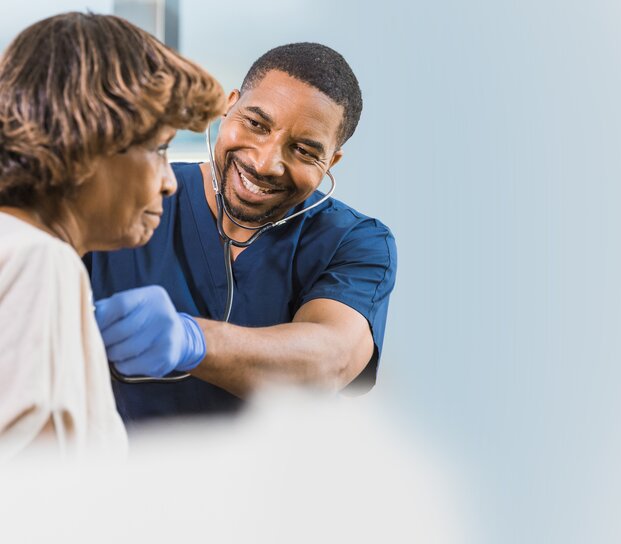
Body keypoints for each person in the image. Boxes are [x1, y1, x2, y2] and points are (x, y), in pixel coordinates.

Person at [88, 43, 397, 423]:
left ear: (331, 160)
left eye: (303, 150)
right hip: (116, 474)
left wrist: (192, 340)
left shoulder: (354, 241)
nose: (266, 163)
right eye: (256, 124)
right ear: (229, 106)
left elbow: (333, 359)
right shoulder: (130, 199)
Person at [0, 12, 226, 458]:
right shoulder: (41, 261)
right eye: (159, 149)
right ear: (91, 137)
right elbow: (33, 503)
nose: (170, 181)